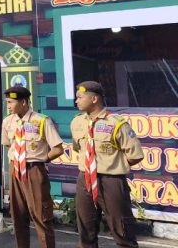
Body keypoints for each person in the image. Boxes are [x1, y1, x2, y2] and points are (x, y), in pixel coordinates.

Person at [71, 81, 143, 248]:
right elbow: (79, 149)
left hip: (111, 181)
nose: (77, 101)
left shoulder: (116, 123)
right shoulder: (77, 123)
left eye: (80, 97)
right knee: (85, 231)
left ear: (94, 98)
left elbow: (135, 155)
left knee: (122, 230)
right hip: (85, 180)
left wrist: (113, 166)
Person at [1, 85, 64, 248]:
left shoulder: (42, 120)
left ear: (23, 102)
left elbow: (58, 148)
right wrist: (18, 159)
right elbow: (9, 145)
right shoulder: (7, 122)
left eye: (10, 102)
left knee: (41, 217)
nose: (8, 105)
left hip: (34, 171)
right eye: (7, 102)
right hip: (15, 169)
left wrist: (40, 160)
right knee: (18, 217)